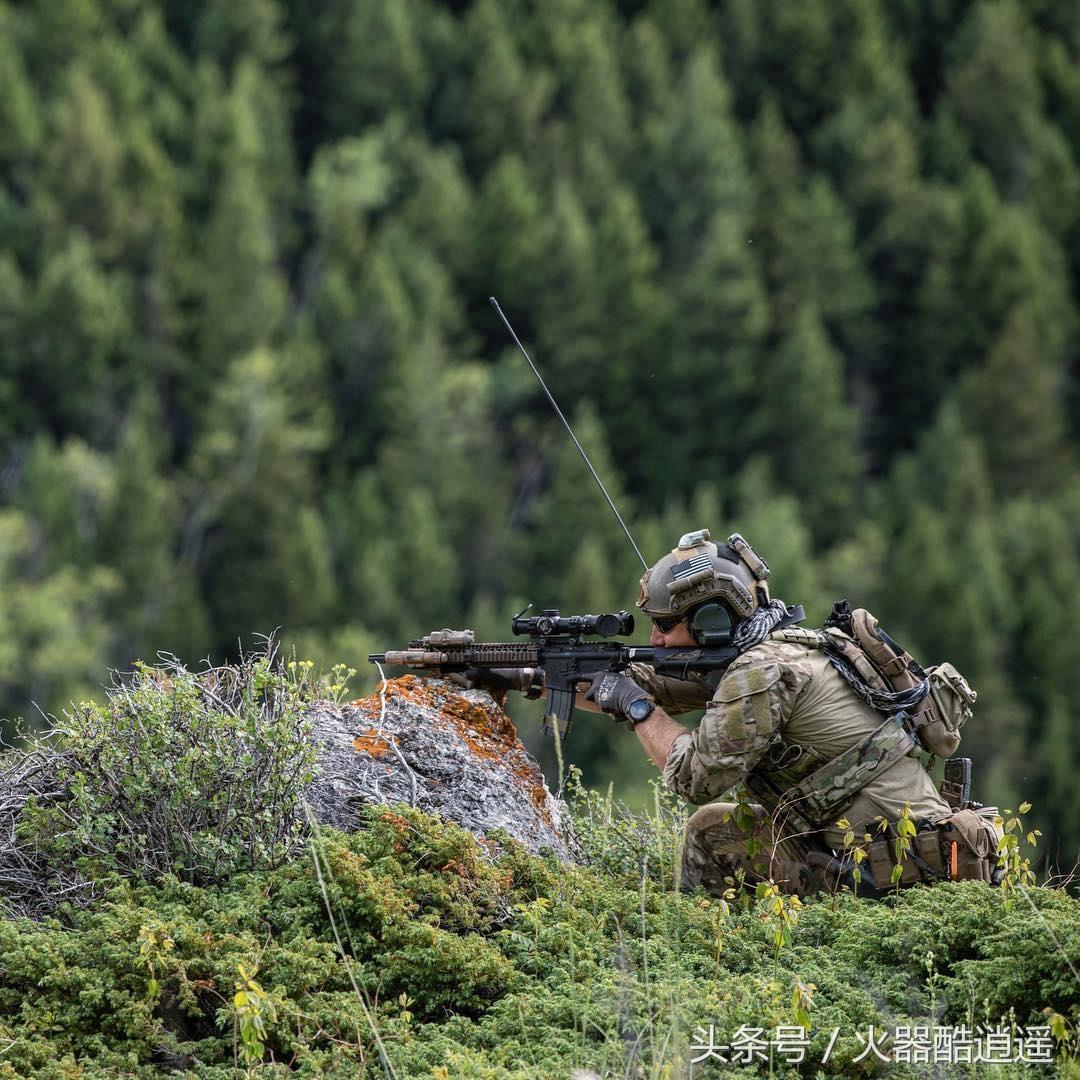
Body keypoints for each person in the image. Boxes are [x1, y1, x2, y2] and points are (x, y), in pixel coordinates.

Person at [579, 528, 1001, 898]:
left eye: (665, 625)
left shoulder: (759, 673)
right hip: (889, 859)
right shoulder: (787, 649)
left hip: (889, 879)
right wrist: (544, 678)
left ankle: (716, 959)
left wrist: (636, 708)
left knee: (710, 832)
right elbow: (655, 681)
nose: (655, 638)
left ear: (712, 620)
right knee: (717, 826)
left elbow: (696, 778)